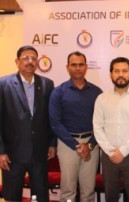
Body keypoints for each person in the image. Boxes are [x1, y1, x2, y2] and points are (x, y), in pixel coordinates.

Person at [0, 45, 56, 202]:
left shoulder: (47, 84)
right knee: (12, 197)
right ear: (17, 61)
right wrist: (1, 151)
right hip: (12, 155)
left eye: (33, 58)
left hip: (39, 153)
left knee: (40, 197)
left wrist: (52, 143)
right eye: (25, 58)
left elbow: (50, 117)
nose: (30, 61)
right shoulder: (3, 84)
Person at [93, 57, 129, 202]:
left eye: (124, 71)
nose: (121, 74)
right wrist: (111, 151)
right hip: (108, 155)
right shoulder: (102, 99)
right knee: (111, 196)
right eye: (116, 71)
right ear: (111, 74)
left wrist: (123, 151)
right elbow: (97, 127)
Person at [49, 51, 102, 202]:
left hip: (91, 144)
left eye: (81, 65)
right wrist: (76, 146)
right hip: (67, 144)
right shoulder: (58, 92)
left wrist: (90, 144)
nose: (77, 68)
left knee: (88, 191)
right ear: (67, 67)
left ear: (86, 67)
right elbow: (55, 123)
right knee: (68, 191)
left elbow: (102, 123)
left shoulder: (97, 92)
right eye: (74, 65)